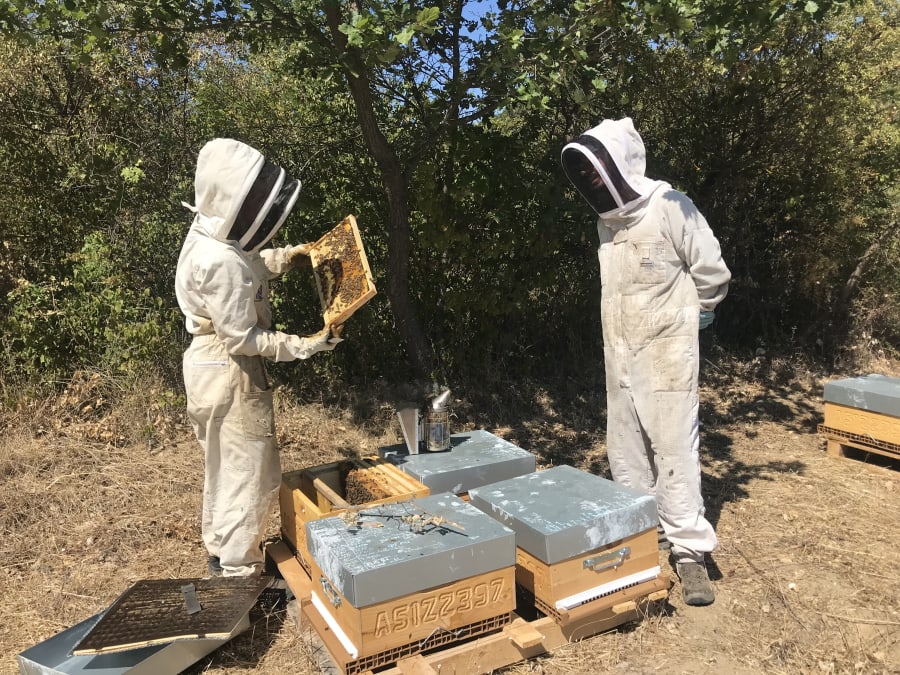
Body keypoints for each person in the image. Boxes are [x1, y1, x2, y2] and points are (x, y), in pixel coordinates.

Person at [561, 118, 730, 606]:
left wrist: (696, 316)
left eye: (598, 171)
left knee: (675, 451)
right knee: (627, 449)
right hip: (619, 354)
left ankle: (690, 554)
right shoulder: (606, 222)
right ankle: (641, 536)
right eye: (586, 175)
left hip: (669, 352)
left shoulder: (672, 206)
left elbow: (712, 273)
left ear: (620, 165)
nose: (593, 183)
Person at [175, 138, 341, 577]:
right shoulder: (218, 260)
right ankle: (238, 571)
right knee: (250, 469)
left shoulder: (208, 236)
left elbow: (248, 261)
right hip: (230, 369)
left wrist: (290, 257)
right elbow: (245, 339)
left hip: (205, 367)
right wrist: (306, 344)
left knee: (223, 465)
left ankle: (220, 549)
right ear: (231, 199)